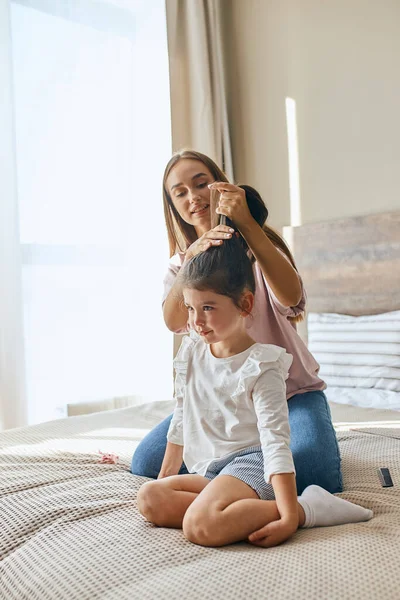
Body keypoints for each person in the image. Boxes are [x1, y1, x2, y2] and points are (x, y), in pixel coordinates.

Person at [136, 236, 372, 548]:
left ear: (245, 304)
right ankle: (226, 508)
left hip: (251, 463)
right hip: (213, 468)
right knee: (150, 497)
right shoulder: (193, 350)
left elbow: (275, 441)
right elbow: (182, 417)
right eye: (191, 308)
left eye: (208, 307)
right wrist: (166, 477)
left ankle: (306, 509)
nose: (196, 321)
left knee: (199, 526)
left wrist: (288, 517)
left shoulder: (263, 364)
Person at [131, 149, 341, 495]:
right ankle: (239, 470)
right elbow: (173, 321)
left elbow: (290, 297)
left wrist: (246, 224)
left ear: (221, 186)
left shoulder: (258, 248)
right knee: (145, 463)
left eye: (201, 184)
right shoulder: (180, 265)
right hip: (222, 399)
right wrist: (192, 258)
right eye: (179, 192)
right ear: (172, 204)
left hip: (288, 394)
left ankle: (241, 471)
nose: (193, 196)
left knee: (315, 472)